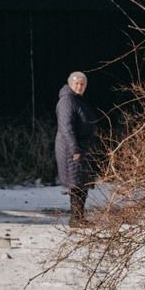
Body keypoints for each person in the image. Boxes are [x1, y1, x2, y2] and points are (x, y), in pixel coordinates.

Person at [55, 71, 98, 224]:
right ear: (70, 84)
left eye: (82, 84)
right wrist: (74, 149)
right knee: (76, 184)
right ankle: (75, 219)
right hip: (71, 149)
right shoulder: (67, 101)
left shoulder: (77, 100)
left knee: (82, 183)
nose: (79, 86)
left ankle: (79, 218)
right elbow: (66, 127)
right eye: (76, 83)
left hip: (82, 148)